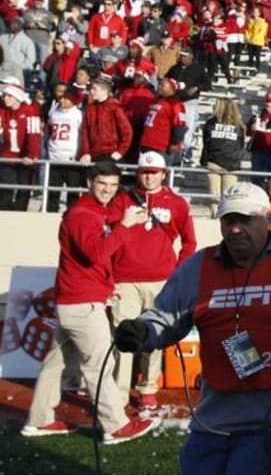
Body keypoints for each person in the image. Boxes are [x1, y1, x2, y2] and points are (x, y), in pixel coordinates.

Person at [112, 182, 271, 474]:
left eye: (246, 219)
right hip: (213, 419)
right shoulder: (197, 267)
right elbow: (164, 318)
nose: (236, 229)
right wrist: (142, 331)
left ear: (269, 220)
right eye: (229, 220)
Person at [22, 161, 160, 443]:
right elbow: (97, 253)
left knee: (57, 365)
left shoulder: (93, 212)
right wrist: (125, 226)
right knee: (99, 365)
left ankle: (38, 421)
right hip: (82, 304)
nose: (108, 190)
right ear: (90, 182)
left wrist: (107, 286)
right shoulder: (83, 215)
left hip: (78, 300)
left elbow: (93, 260)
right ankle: (115, 425)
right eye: (102, 184)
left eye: (112, 185)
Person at [108, 151, 197, 406]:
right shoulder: (122, 200)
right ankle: (119, 391)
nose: (149, 177)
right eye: (145, 172)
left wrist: (178, 273)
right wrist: (109, 278)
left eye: (154, 172)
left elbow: (189, 242)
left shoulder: (177, 202)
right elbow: (109, 238)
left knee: (154, 336)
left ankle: (147, 387)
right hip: (125, 278)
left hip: (161, 280)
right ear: (138, 173)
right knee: (123, 336)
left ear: (163, 173)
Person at [0, 82, 42, 210]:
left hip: (25, 159)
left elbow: (34, 136)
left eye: (8, 96)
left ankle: (20, 215)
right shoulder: (3, 111)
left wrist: (31, 155)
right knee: (5, 191)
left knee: (23, 192)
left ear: (17, 97)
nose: (4, 98)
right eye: (4, 95)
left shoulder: (30, 111)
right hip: (7, 156)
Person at [78, 75, 133, 164]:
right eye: (91, 89)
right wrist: (86, 152)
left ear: (104, 91)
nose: (91, 92)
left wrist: (120, 151)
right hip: (94, 154)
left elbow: (127, 132)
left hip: (111, 154)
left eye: (95, 89)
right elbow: (85, 132)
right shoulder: (90, 109)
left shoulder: (115, 109)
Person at [200, 97, 247, 203]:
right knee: (228, 197)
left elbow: (206, 142)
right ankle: (226, 217)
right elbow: (241, 145)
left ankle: (214, 215)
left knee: (214, 195)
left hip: (213, 161)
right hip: (232, 163)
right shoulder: (239, 126)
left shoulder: (210, 123)